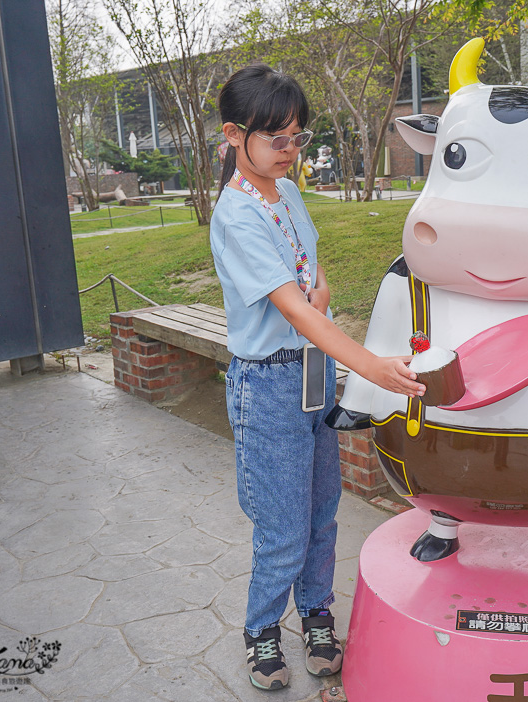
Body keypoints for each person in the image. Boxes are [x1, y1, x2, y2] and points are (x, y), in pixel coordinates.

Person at [210, 64, 426, 692]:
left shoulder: (288, 190)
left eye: (298, 137)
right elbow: (298, 311)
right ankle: (261, 631)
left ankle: (317, 616)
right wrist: (371, 366)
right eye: (276, 138)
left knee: (323, 512)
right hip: (268, 384)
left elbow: (311, 270)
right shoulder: (235, 216)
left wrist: (323, 289)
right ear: (233, 134)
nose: (289, 151)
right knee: (281, 523)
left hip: (311, 372)